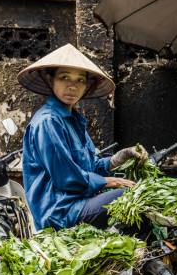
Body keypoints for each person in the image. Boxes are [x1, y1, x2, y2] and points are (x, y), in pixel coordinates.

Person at [18, 43, 147, 230]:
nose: (72, 86)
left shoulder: (74, 121)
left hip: (81, 203)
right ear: (50, 80)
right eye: (64, 77)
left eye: (80, 80)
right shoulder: (47, 122)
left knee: (140, 197)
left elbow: (91, 167)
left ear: (87, 86)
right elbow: (67, 177)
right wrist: (113, 181)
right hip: (60, 212)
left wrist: (120, 157)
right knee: (134, 197)